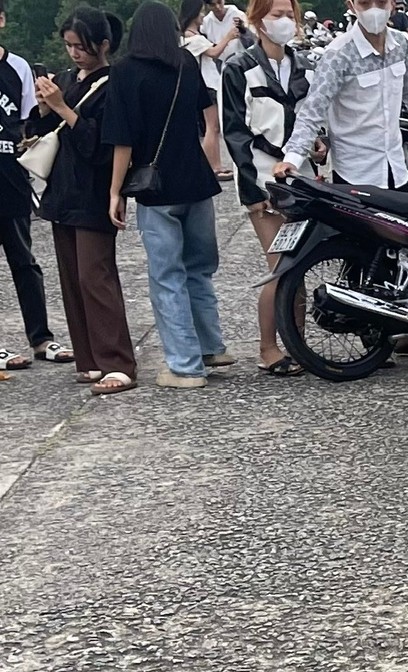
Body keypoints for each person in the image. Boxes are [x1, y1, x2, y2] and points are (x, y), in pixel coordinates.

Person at [275, 0, 408, 355]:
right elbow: (312, 111)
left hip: (394, 163)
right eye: (365, 2)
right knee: (363, 256)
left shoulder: (400, 43)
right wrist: (292, 157)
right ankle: (370, 335)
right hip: (357, 171)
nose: (374, 9)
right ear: (352, 5)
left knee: (407, 248)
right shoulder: (338, 54)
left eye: (381, 1)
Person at [109, 0, 232, 390]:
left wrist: (115, 191)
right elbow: (203, 119)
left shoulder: (125, 72)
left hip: (155, 189)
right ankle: (211, 346)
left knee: (167, 277)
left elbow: (123, 141)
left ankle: (184, 366)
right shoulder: (186, 64)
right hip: (196, 180)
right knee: (199, 269)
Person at [30, 8, 137, 394]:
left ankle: (118, 361)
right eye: (69, 46)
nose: (74, 54)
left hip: (94, 192)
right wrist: (45, 108)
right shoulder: (65, 81)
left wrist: (62, 107)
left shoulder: (113, 83)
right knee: (73, 278)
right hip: (62, 191)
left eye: (81, 46)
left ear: (103, 45)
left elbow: (99, 144)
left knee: (96, 276)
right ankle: (89, 358)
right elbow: (37, 131)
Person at [223, 0, 311, 375]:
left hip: (305, 180)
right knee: (280, 267)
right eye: (277, 15)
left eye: (290, 15)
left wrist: (317, 145)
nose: (285, 22)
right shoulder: (238, 68)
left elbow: (312, 117)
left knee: (302, 266)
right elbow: (235, 135)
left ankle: (299, 345)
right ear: (258, 20)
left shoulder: (303, 66)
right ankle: (268, 348)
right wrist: (253, 191)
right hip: (264, 181)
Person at [0, 0, 72, 371]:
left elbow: (28, 121)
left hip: (10, 178)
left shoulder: (18, 67)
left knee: (24, 261)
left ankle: (41, 338)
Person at [181, 0, 238, 179]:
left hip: (197, 85)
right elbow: (214, 52)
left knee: (210, 127)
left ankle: (214, 165)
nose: (203, 17)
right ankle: (212, 167)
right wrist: (228, 36)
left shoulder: (181, 37)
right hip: (208, 84)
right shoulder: (195, 39)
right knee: (212, 128)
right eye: (201, 13)